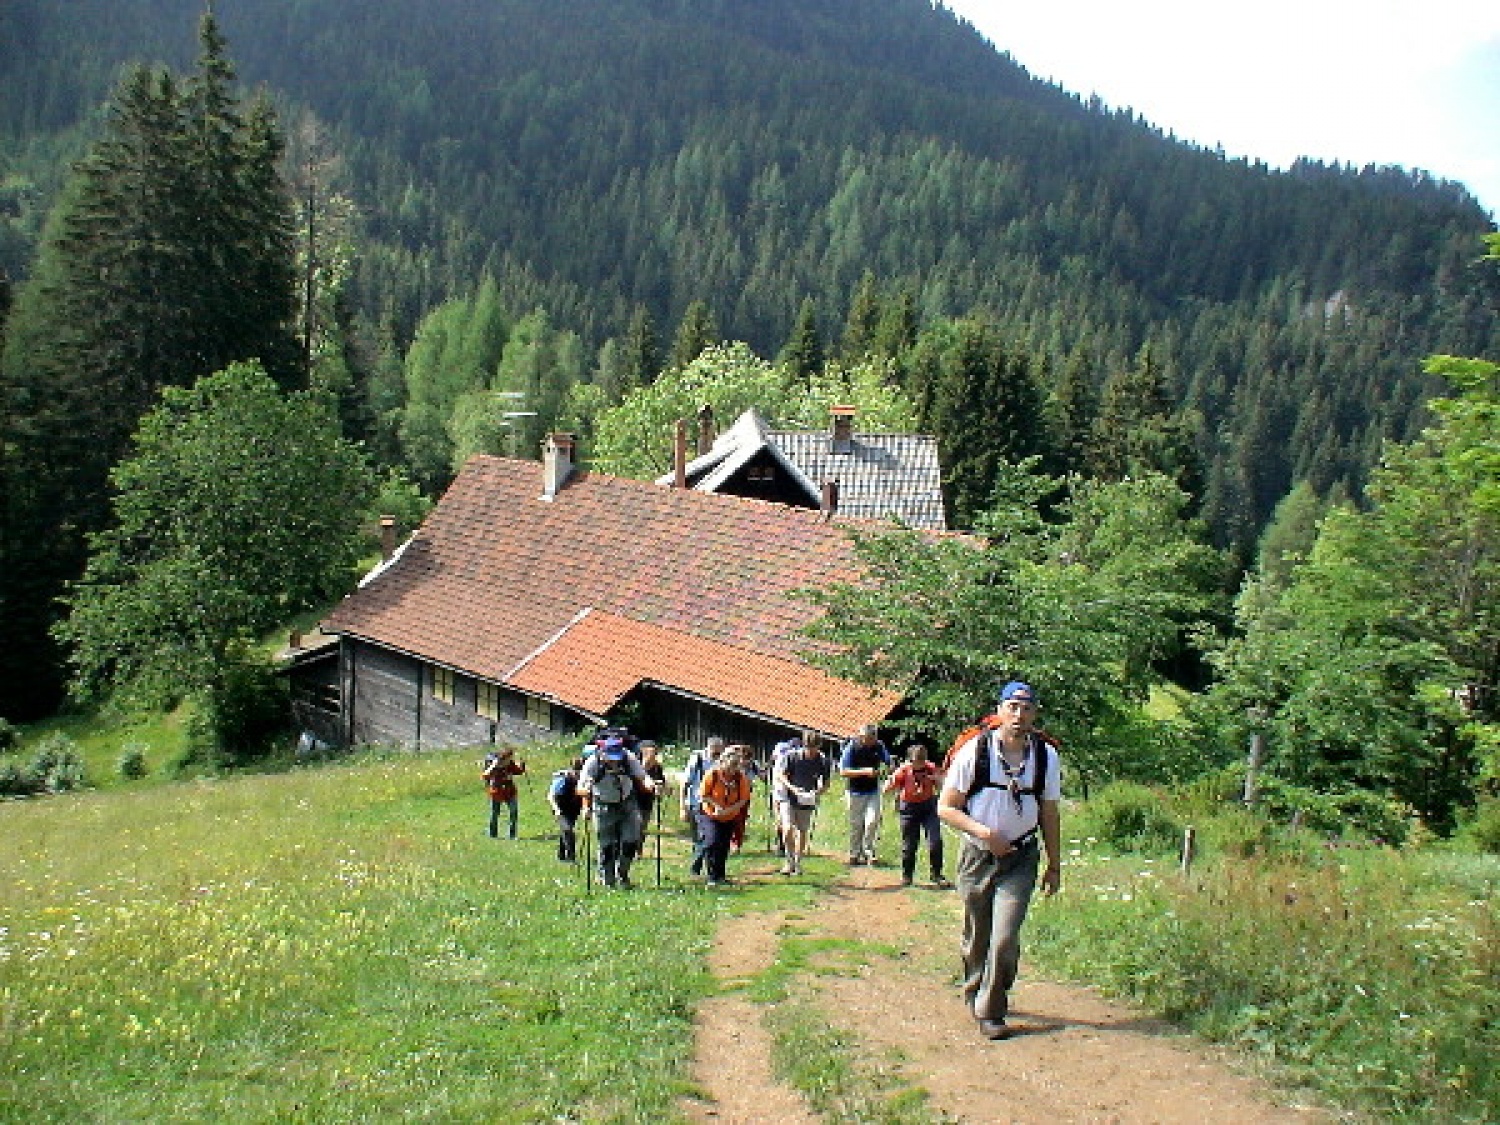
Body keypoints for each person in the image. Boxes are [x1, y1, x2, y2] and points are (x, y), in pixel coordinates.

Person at [938, 681, 1062, 1041]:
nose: (1019, 716)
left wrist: (1054, 864)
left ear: (1034, 714)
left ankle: (991, 1010)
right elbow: (945, 807)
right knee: (978, 934)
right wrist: (984, 833)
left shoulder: (1045, 757)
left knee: (1005, 937)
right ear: (1000, 711)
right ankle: (974, 987)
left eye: (1026, 709)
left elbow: (1050, 812)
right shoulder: (976, 751)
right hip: (978, 856)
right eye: (1012, 708)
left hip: (1021, 857)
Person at [579, 738, 658, 888]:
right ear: (603, 753)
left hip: (627, 804)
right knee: (607, 846)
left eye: (616, 758)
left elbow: (643, 777)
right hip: (603, 806)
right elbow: (580, 789)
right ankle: (607, 879)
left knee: (631, 841)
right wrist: (586, 801)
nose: (614, 762)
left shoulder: (628, 758)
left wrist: (652, 786)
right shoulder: (593, 763)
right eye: (611, 759)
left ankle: (623, 875)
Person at [885, 743, 948, 887]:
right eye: (916, 762)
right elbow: (887, 788)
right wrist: (891, 781)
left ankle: (936, 874)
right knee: (910, 845)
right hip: (909, 809)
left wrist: (936, 780)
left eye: (922, 761)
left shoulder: (931, 768)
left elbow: (942, 785)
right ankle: (907, 875)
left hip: (928, 807)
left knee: (935, 841)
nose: (919, 765)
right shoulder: (904, 771)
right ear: (910, 760)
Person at [774, 732, 830, 875]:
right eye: (808, 748)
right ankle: (789, 861)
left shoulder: (823, 761)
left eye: (814, 748)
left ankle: (798, 862)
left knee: (802, 831)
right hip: (789, 797)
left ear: (819, 746)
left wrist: (817, 793)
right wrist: (793, 788)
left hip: (807, 799)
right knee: (787, 829)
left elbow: (826, 784)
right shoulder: (792, 757)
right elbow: (781, 775)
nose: (810, 751)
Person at [696, 745, 752, 887]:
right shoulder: (712, 774)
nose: (731, 771)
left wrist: (728, 811)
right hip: (710, 814)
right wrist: (716, 806)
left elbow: (743, 799)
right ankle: (712, 876)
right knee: (712, 842)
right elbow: (702, 795)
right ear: (722, 762)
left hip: (729, 816)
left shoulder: (741, 778)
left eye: (735, 767)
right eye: (729, 767)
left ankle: (720, 875)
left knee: (723, 846)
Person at [840, 724, 891, 865]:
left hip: (873, 790)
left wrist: (888, 769)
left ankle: (869, 851)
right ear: (862, 737)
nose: (872, 741)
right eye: (869, 738)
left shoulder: (879, 746)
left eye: (874, 737)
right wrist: (865, 772)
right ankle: (854, 853)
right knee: (856, 824)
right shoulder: (852, 747)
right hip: (854, 791)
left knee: (872, 820)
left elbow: (888, 761)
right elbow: (843, 771)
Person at [682, 736, 724, 875]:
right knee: (700, 838)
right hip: (696, 803)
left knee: (710, 837)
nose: (718, 756)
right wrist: (683, 806)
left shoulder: (722, 761)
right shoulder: (697, 759)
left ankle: (705, 869)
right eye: (715, 753)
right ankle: (696, 868)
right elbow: (685, 783)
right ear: (708, 748)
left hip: (714, 805)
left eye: (720, 753)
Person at [481, 747, 527, 839]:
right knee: (494, 814)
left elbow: (518, 771)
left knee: (513, 812)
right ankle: (492, 834)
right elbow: (485, 776)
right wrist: (493, 766)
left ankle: (512, 835)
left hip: (510, 792)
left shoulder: (510, 763)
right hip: (497, 792)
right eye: (509, 758)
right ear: (504, 757)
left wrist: (522, 765)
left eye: (511, 758)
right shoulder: (495, 765)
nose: (510, 760)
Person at [548, 756, 585, 862]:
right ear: (572, 770)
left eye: (580, 772)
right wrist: (556, 809)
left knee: (565, 831)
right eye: (577, 773)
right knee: (568, 832)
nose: (578, 775)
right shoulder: (562, 779)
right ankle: (571, 858)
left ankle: (561, 855)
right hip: (561, 809)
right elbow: (551, 796)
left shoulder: (584, 779)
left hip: (573, 809)